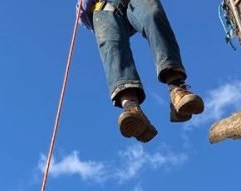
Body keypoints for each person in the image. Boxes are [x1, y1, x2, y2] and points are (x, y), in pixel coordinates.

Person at [79, 0, 205, 143]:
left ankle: (177, 89)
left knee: (152, 15)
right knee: (111, 45)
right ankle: (131, 108)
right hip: (101, 5)